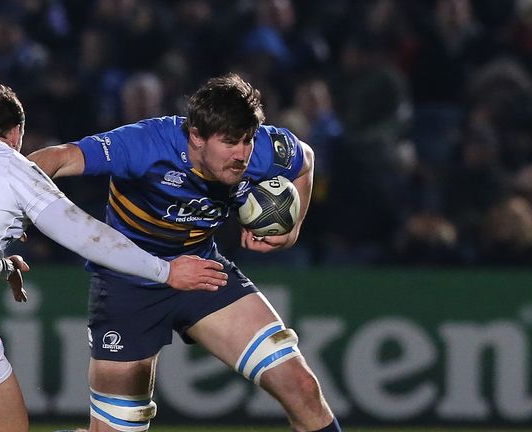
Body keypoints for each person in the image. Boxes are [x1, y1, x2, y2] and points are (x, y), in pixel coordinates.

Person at [0, 81, 228, 432]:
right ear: (15, 133)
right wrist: (165, 271)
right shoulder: (9, 164)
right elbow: (85, 234)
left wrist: (2, 265)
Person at [28, 73, 341, 432]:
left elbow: (306, 160)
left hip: (202, 273)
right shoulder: (144, 144)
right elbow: (57, 158)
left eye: (247, 141)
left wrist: (292, 230)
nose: (241, 155)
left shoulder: (261, 150)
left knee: (300, 387)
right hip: (128, 286)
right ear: (195, 135)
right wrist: (12, 208)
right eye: (229, 143)